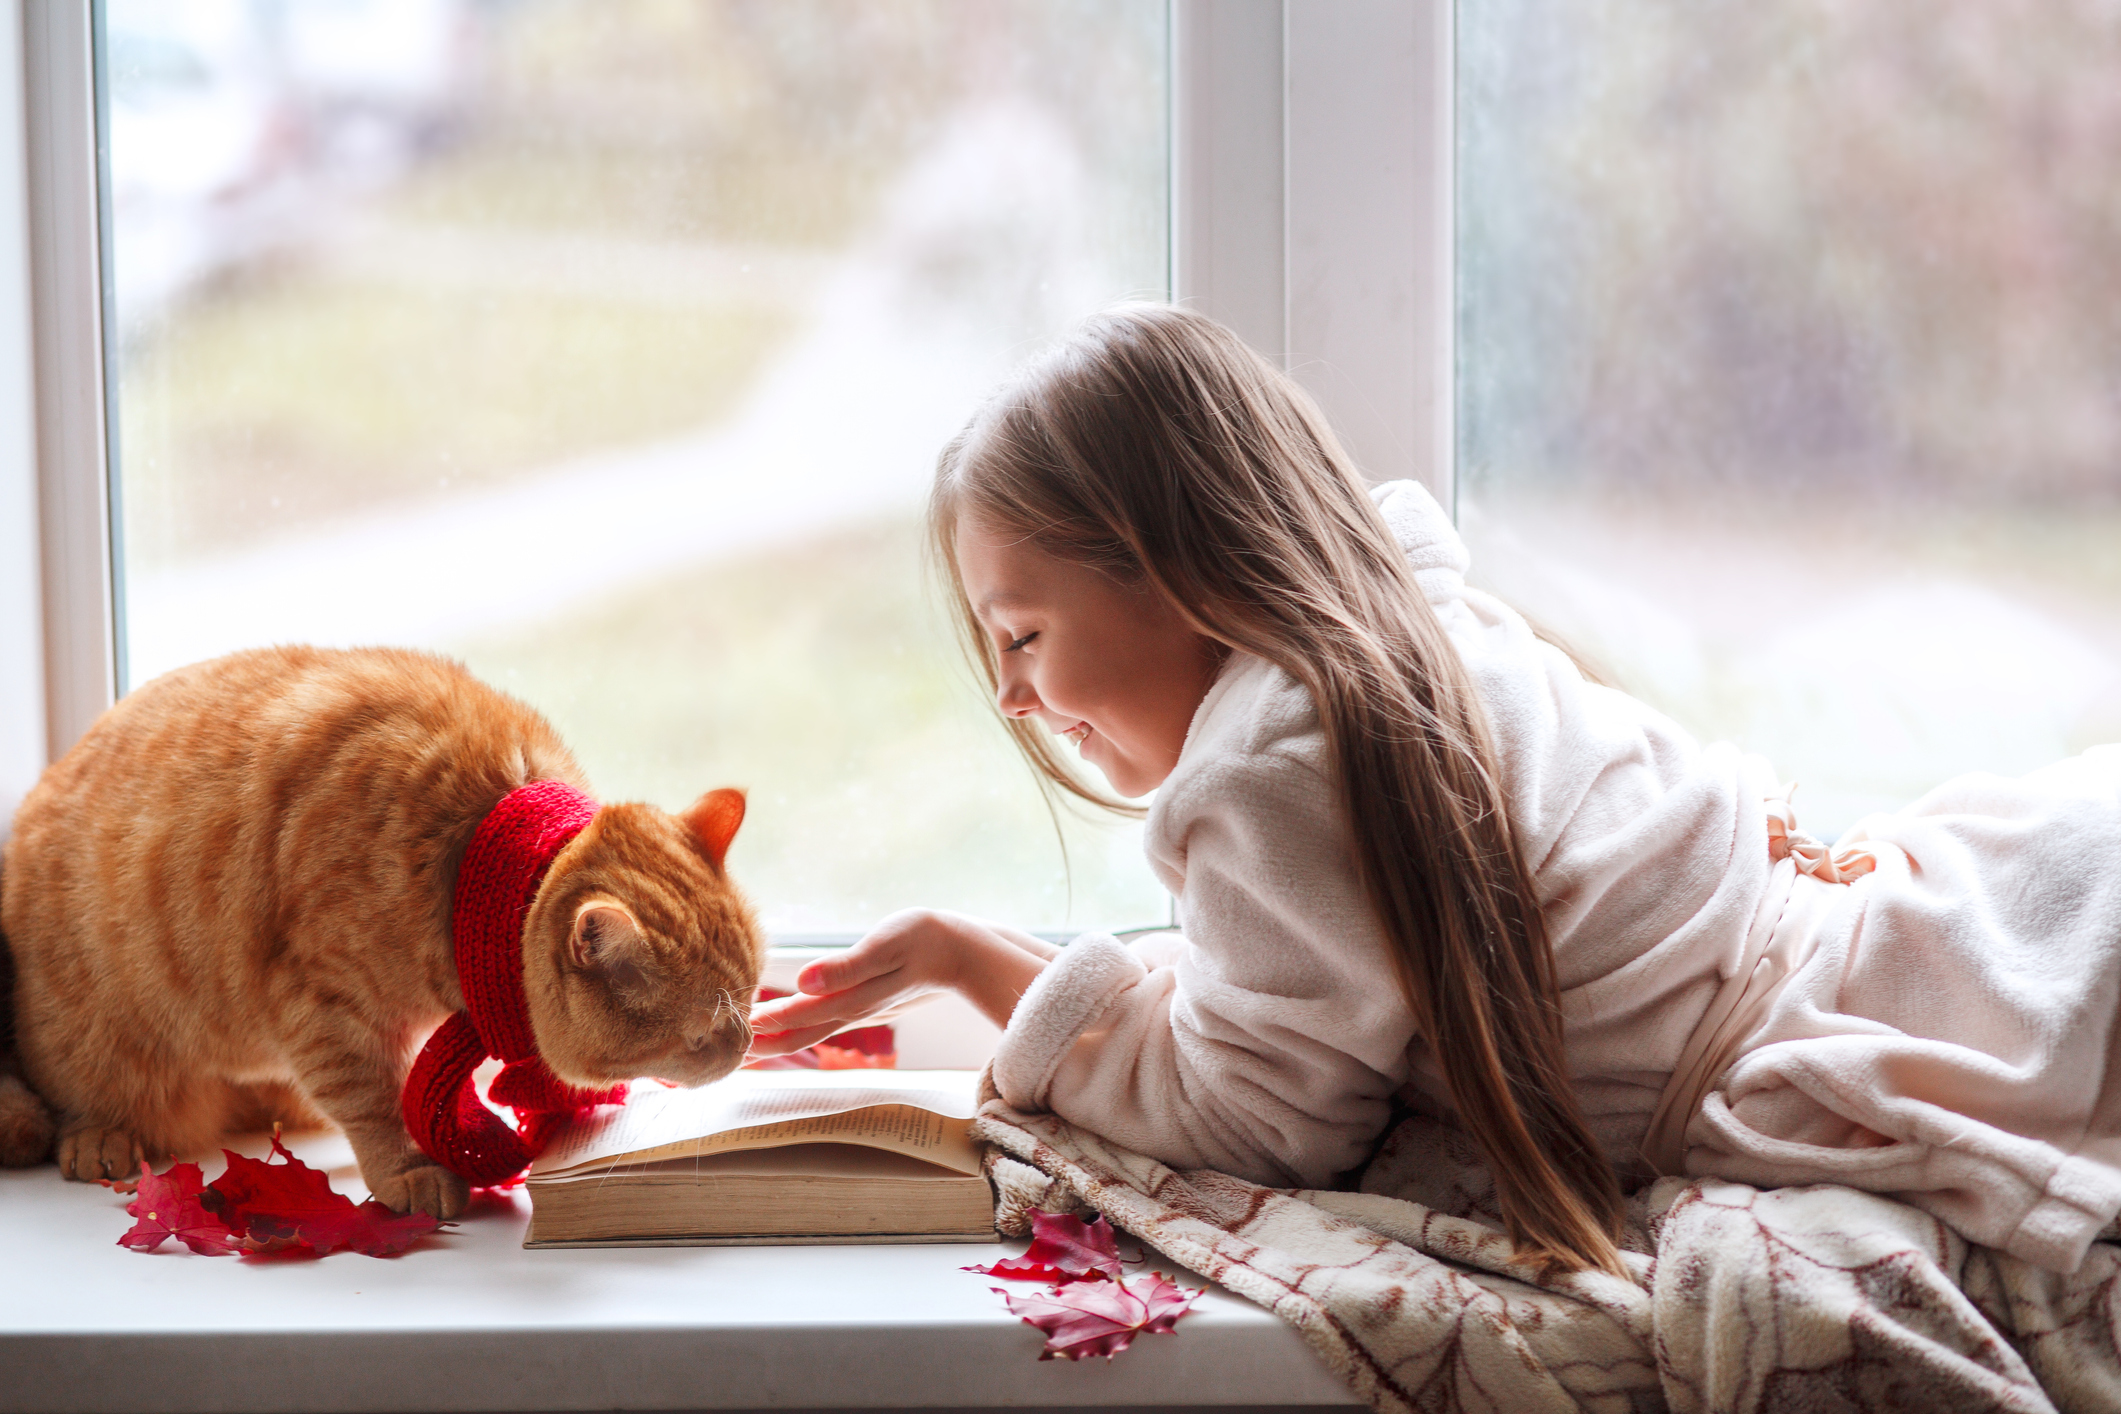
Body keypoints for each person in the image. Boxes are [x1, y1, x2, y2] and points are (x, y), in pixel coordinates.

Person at [747, 303, 2121, 1278]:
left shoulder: (1272, 773)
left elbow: (1257, 1119)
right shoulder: (1389, 635)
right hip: (1891, 922)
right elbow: (1286, 995)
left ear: (1161, 567)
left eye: (1021, 633)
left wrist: (989, 972)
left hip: (1852, 1026)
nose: (1010, 696)